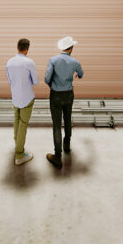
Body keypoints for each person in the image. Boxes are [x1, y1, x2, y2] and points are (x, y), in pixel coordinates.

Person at [44, 36, 83, 170]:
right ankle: (67, 145)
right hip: (68, 94)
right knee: (67, 120)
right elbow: (81, 73)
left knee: (56, 125)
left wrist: (51, 85)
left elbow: (46, 78)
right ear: (71, 48)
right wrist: (77, 75)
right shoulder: (75, 62)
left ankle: (57, 157)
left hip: (55, 95)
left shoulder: (53, 60)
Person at [6, 38, 38, 165]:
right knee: (23, 124)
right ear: (28, 48)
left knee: (17, 122)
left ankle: (17, 146)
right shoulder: (29, 62)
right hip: (27, 98)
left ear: (17, 47)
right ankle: (19, 155)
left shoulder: (9, 62)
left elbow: (10, 81)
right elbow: (35, 81)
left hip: (15, 97)